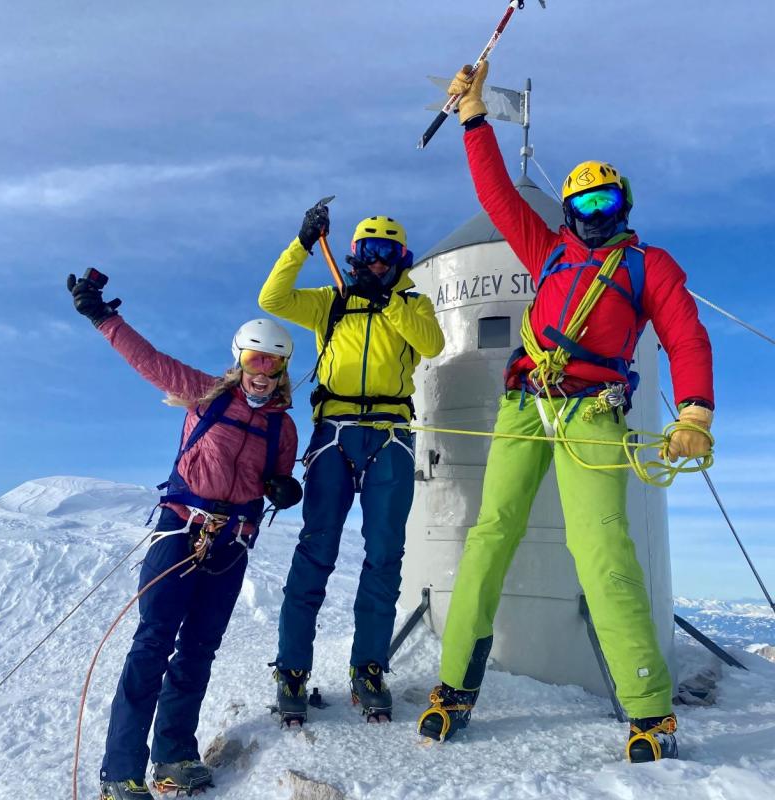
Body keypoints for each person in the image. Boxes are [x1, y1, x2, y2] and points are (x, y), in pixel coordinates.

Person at [417, 63, 715, 762]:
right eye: (581, 206)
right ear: (569, 215)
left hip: (591, 416)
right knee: (488, 538)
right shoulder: (546, 249)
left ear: (624, 204)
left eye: (604, 202)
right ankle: (453, 687)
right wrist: (472, 116)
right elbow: (495, 191)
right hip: (523, 405)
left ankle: (649, 708)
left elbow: (685, 334)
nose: (592, 215)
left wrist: (694, 410)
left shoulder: (650, 266)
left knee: (602, 552)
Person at [66, 271, 301, 799]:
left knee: (198, 648)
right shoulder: (205, 394)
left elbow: (274, 479)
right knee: (152, 645)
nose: (264, 372)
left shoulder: (283, 428)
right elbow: (148, 360)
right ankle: (119, 772)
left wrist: (283, 489)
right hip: (180, 530)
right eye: (256, 359)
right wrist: (102, 316)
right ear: (240, 358)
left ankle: (173, 754)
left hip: (231, 542)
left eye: (275, 362)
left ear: (284, 368)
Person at [259, 208, 445, 724]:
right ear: (355, 255)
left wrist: (387, 302)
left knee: (385, 556)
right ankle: (292, 670)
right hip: (334, 432)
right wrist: (299, 243)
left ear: (401, 259)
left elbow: (432, 344)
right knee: (316, 550)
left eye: (387, 253)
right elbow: (271, 299)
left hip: (390, 435)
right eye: (368, 252)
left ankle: (368, 667)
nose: (377, 261)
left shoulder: (412, 304)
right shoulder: (331, 302)